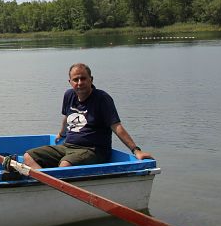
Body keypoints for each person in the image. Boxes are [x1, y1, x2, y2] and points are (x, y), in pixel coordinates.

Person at [23, 63, 153, 169]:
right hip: (68, 146)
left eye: (83, 78)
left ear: (91, 79)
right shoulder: (69, 95)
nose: (79, 83)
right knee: (29, 156)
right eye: (75, 80)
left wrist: (136, 150)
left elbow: (116, 126)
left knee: (65, 164)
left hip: (93, 150)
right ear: (70, 82)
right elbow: (67, 117)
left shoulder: (102, 99)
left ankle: (55, 186)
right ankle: (48, 186)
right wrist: (61, 134)